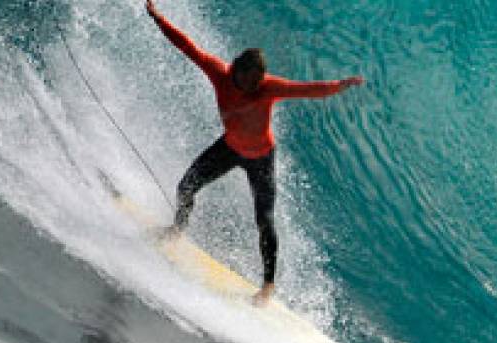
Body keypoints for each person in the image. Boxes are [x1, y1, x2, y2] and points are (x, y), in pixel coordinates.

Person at [145, 0, 364, 305]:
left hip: (261, 157)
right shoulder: (218, 73)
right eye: (250, 81)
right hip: (230, 148)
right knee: (186, 186)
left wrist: (340, 85)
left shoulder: (268, 87)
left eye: (259, 82)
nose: (255, 87)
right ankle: (177, 229)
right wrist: (157, 17)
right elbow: (187, 46)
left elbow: (308, 89)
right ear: (237, 69)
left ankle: (267, 286)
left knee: (264, 218)